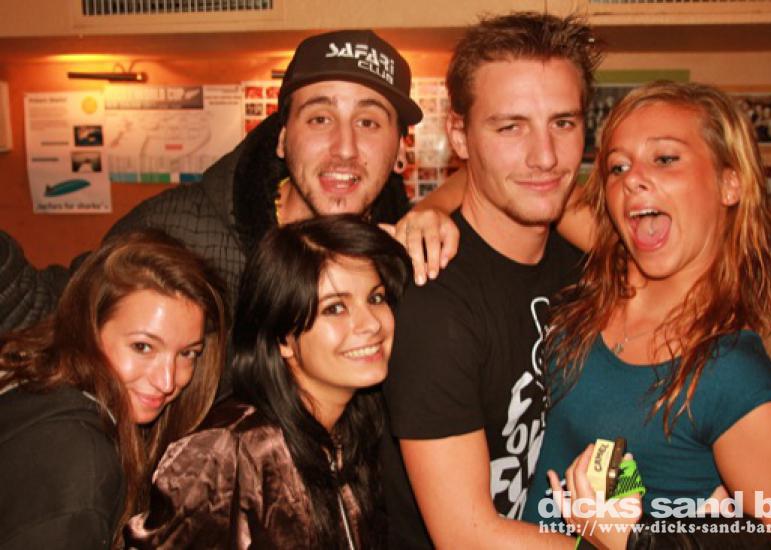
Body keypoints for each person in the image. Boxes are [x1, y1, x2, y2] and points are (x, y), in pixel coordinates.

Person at [522, 81, 771, 548]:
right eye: (617, 166)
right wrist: (432, 213)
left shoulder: (732, 376)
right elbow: (510, 175)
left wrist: (635, 540)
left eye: (665, 159)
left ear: (730, 182)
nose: (632, 179)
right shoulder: (612, 277)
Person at [0, 29, 457, 335]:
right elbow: (61, 311)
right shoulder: (181, 229)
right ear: (282, 139)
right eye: (319, 118)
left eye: (369, 122)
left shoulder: (411, 259)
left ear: (401, 150)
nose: (344, 147)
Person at [383, 12, 629, 549]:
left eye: (563, 123)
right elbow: (466, 535)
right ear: (460, 135)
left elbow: (615, 434)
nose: (545, 157)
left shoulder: (587, 263)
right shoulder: (433, 299)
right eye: (510, 127)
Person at [124, 215, 410, 548]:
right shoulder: (227, 452)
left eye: (376, 298)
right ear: (282, 338)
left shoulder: (359, 431)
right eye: (335, 308)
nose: (371, 324)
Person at [0, 229, 226, 549]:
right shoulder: (78, 459)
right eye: (142, 347)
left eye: (187, 353)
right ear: (88, 328)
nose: (167, 381)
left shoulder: (45, 388)